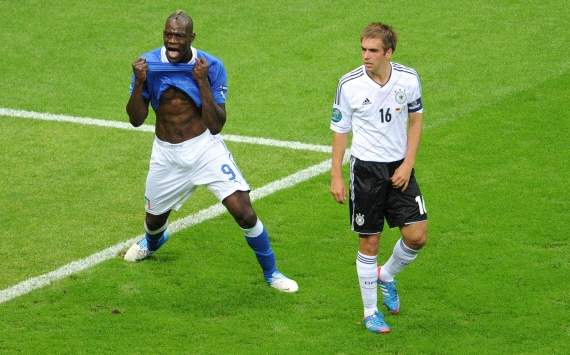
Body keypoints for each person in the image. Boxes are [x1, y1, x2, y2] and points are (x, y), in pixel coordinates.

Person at [124, 10, 298, 293]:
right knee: (154, 221)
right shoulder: (148, 65)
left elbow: (216, 125)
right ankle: (152, 242)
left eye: (179, 36)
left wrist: (202, 81)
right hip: (166, 155)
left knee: (244, 212)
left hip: (204, 150)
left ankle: (272, 273)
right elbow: (135, 119)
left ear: (191, 37)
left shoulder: (211, 66)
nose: (172, 40)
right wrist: (140, 83)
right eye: (168, 34)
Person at [329, 23, 428, 333]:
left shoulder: (408, 79)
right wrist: (336, 175)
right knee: (370, 242)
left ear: (389, 53)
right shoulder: (349, 85)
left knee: (417, 236)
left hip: (399, 167)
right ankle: (371, 312)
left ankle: (386, 275)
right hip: (366, 171)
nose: (366, 56)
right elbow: (340, 131)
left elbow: (415, 121)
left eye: (373, 51)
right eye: (363, 49)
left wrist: (408, 163)